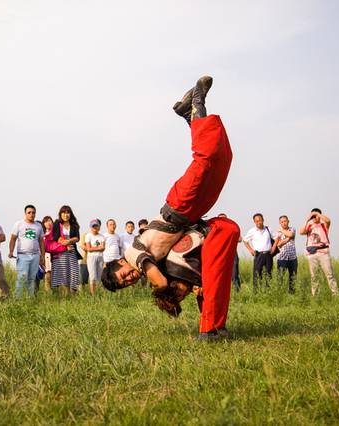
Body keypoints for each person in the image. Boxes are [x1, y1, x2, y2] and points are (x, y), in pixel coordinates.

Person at [102, 75, 240, 341]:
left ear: (119, 263)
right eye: (126, 284)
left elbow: (162, 282)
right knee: (221, 161)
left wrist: (162, 295)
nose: (130, 279)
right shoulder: (144, 265)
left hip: (179, 205)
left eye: (123, 276)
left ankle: (197, 103)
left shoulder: (134, 255)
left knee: (206, 160)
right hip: (190, 214)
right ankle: (189, 115)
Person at [299, 208, 339, 296]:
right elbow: (301, 232)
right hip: (311, 253)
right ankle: (315, 296)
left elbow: (328, 221)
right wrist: (307, 220)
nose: (314, 217)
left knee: (329, 274)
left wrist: (318, 214)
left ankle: (335, 295)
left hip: (323, 252)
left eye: (315, 215)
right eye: (313, 216)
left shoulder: (323, 225)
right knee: (314, 276)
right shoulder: (309, 225)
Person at [9, 205, 45, 298]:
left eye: (33, 212)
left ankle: (30, 299)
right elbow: (13, 238)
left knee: (32, 278)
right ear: (25, 213)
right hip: (23, 255)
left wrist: (42, 256)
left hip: (35, 255)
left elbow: (41, 241)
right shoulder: (19, 224)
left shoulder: (38, 226)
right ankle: (18, 299)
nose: (31, 214)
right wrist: (11, 251)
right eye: (29, 212)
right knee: (22, 277)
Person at [45, 206, 82, 294]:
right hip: (60, 253)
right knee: (61, 274)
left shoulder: (74, 224)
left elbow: (77, 238)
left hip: (72, 252)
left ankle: (73, 294)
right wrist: (65, 244)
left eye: (68, 212)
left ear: (70, 214)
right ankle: (63, 295)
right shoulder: (57, 223)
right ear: (60, 214)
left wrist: (69, 241)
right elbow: (56, 236)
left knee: (73, 273)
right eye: (64, 212)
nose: (66, 215)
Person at [243, 213, 277, 290]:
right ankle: (256, 292)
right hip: (258, 255)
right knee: (257, 274)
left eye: (260, 220)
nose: (258, 222)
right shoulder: (252, 231)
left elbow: (277, 237)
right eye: (256, 221)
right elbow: (245, 240)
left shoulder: (268, 229)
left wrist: (274, 247)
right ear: (254, 222)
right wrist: (251, 250)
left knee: (268, 274)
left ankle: (268, 291)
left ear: (263, 220)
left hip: (268, 254)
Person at [274, 215, 297, 294]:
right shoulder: (277, 233)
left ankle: (292, 294)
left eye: (285, 221)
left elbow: (291, 235)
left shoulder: (292, 229)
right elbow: (278, 244)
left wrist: (282, 231)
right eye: (282, 222)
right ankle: (279, 294)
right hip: (282, 258)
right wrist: (287, 239)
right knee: (280, 277)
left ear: (288, 221)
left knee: (293, 277)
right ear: (280, 223)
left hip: (292, 258)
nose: (284, 223)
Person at [218, 213, 240, 291]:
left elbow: (240, 239)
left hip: (232, 253)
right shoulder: (216, 230)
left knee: (234, 274)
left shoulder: (232, 228)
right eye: (221, 219)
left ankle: (237, 291)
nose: (223, 221)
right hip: (221, 254)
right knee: (221, 275)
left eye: (225, 219)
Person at [85, 219, 105, 296]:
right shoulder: (88, 236)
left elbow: (103, 248)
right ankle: (93, 294)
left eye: (97, 226)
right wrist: (98, 248)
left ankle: (100, 293)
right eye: (93, 226)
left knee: (100, 276)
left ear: (99, 227)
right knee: (92, 276)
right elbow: (88, 249)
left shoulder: (102, 236)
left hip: (100, 257)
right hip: (91, 258)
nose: (95, 228)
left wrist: (93, 248)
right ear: (91, 227)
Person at [41, 216, 54, 293]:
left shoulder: (56, 233)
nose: (48, 223)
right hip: (46, 257)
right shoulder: (42, 235)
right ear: (43, 224)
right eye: (46, 221)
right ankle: (48, 295)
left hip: (55, 257)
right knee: (47, 277)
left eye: (50, 221)